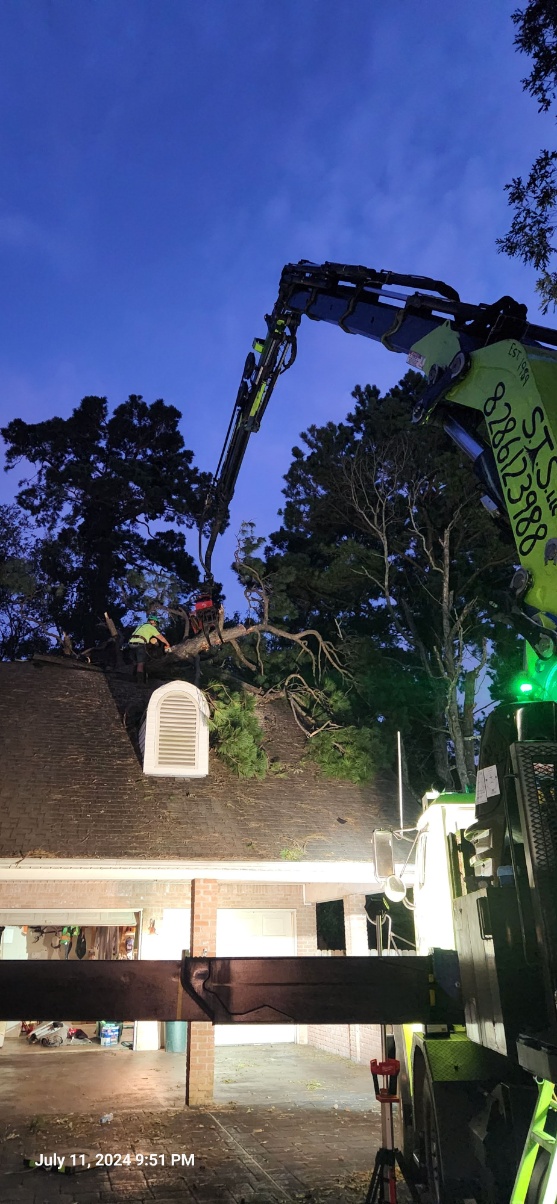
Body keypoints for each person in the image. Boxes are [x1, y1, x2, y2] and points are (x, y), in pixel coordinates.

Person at [129, 614, 171, 682]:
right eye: (156, 623)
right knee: (141, 663)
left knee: (135, 661)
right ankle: (140, 682)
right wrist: (167, 644)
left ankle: (133, 677)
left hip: (131, 644)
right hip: (140, 644)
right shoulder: (151, 627)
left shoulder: (140, 626)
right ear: (153, 621)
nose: (155, 625)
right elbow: (161, 637)